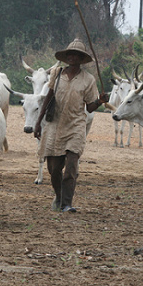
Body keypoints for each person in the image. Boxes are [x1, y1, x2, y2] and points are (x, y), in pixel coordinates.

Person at [34, 38, 109, 213]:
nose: (72, 57)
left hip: (76, 125)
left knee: (71, 167)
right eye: (70, 54)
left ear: (82, 59)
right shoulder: (57, 73)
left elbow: (90, 106)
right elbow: (48, 97)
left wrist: (100, 100)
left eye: (77, 55)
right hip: (54, 124)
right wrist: (38, 122)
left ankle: (67, 203)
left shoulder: (88, 80)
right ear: (66, 57)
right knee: (53, 169)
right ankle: (59, 197)